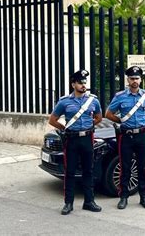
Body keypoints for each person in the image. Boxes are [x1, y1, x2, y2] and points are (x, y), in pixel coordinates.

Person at [47, 69, 103, 215]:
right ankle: (68, 203)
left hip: (87, 138)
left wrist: (90, 125)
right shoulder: (64, 101)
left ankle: (89, 201)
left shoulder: (93, 100)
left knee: (88, 171)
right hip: (71, 139)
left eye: (85, 82)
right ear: (73, 84)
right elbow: (52, 120)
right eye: (80, 82)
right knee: (70, 171)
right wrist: (64, 128)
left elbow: (98, 117)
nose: (83, 85)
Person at [105, 66, 145, 209]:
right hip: (126, 136)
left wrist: (143, 120)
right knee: (125, 167)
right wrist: (121, 121)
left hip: (142, 134)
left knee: (142, 167)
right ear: (127, 80)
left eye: (137, 78)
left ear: (140, 80)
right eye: (132, 78)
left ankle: (144, 197)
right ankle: (123, 197)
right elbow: (109, 114)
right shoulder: (120, 96)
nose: (134, 81)